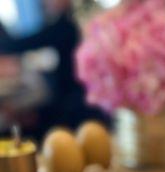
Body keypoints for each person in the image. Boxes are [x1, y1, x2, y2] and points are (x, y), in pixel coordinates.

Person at [0, 0, 112, 140]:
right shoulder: (71, 19)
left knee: (22, 125)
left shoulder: (67, 23)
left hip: (75, 103)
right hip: (75, 99)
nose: (45, 2)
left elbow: (26, 43)